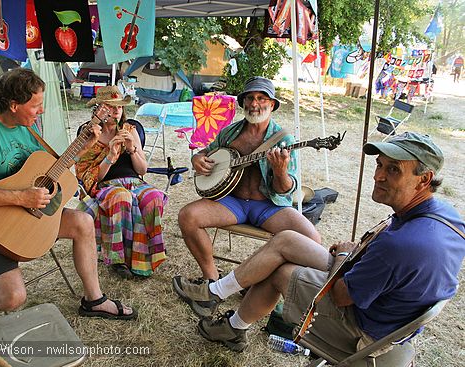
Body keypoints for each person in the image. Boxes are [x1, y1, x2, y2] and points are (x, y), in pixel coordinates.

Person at [173, 132, 464, 353]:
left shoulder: (403, 245)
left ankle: (231, 323)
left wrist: (345, 256)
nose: (378, 176)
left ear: (424, 179)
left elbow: (340, 295)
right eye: (380, 165)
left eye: (393, 170)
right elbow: (388, 267)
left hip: (364, 329)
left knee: (278, 271)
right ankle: (217, 297)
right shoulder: (446, 217)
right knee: (288, 240)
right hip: (381, 299)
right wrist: (357, 254)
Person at [0, 69, 136, 334]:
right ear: (14, 105)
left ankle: (94, 300)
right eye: (36, 105)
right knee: (12, 298)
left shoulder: (27, 128)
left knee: (82, 221)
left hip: (28, 218)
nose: (41, 111)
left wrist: (81, 148)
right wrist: (20, 197)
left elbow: (49, 170)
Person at [174, 76, 320, 317]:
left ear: (272, 104)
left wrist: (280, 171)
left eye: (262, 98)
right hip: (234, 203)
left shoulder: (284, 140)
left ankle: (279, 291)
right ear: (243, 103)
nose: (255, 103)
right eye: (250, 98)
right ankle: (211, 282)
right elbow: (205, 153)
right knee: (188, 216)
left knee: (311, 239)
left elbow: (286, 190)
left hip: (269, 205)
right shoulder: (230, 132)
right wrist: (196, 159)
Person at [76, 86, 167, 279]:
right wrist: (110, 156)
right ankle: (118, 259)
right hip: (106, 185)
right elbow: (93, 177)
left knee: (153, 197)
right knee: (121, 197)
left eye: (120, 107)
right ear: (100, 108)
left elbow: (142, 170)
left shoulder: (129, 130)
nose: (117, 111)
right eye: (112, 106)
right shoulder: (90, 134)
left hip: (135, 181)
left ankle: (145, 255)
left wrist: (132, 149)